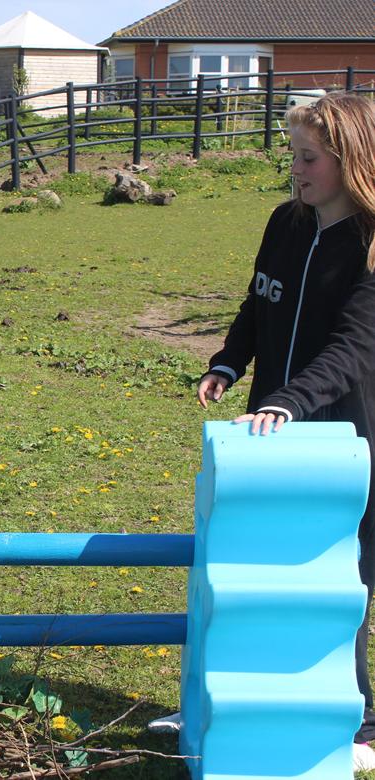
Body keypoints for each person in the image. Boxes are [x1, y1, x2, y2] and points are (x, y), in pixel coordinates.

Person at [195, 90, 375, 770]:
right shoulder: (285, 222)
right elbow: (259, 298)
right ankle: (256, 700)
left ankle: (356, 720)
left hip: (348, 440)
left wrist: (291, 401)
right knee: (266, 569)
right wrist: (230, 362)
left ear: (349, 159)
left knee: (341, 580)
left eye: (308, 158)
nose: (295, 170)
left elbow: (354, 349)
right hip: (274, 428)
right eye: (292, 155)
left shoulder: (369, 244)